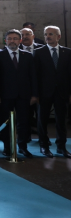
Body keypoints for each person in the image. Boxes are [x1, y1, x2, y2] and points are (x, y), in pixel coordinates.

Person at [0, 30, 38, 158]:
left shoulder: (28, 56)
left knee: (24, 122)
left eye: (15, 38)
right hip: (5, 95)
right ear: (5, 41)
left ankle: (23, 147)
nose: (12, 41)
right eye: (9, 38)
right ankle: (7, 148)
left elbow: (33, 77)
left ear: (20, 41)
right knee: (5, 122)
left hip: (24, 95)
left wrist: (34, 94)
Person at [33, 26, 71, 158]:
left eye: (50, 34)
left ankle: (61, 147)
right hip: (44, 93)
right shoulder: (38, 52)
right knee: (42, 120)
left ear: (58, 36)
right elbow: (35, 75)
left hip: (62, 92)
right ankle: (44, 146)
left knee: (61, 120)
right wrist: (35, 94)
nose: (47, 37)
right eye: (45, 34)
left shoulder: (68, 52)